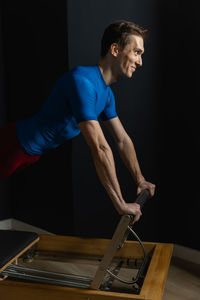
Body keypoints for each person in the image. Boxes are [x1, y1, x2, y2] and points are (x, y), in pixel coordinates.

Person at [0, 20, 155, 223]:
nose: (140, 62)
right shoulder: (83, 81)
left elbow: (122, 140)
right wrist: (120, 204)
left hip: (31, 154)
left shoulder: (106, 95)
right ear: (115, 49)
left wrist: (140, 179)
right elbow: (100, 147)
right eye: (136, 52)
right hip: (13, 146)